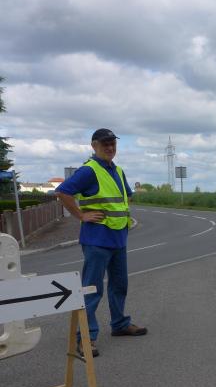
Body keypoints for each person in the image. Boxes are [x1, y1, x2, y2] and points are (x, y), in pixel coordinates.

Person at [56, 128, 147, 357]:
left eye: (113, 144)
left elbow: (126, 196)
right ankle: (85, 339)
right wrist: (81, 215)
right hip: (97, 240)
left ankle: (120, 324)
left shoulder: (117, 170)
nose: (110, 147)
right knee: (91, 289)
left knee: (119, 285)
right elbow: (63, 192)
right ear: (94, 145)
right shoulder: (89, 170)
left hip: (118, 238)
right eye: (105, 144)